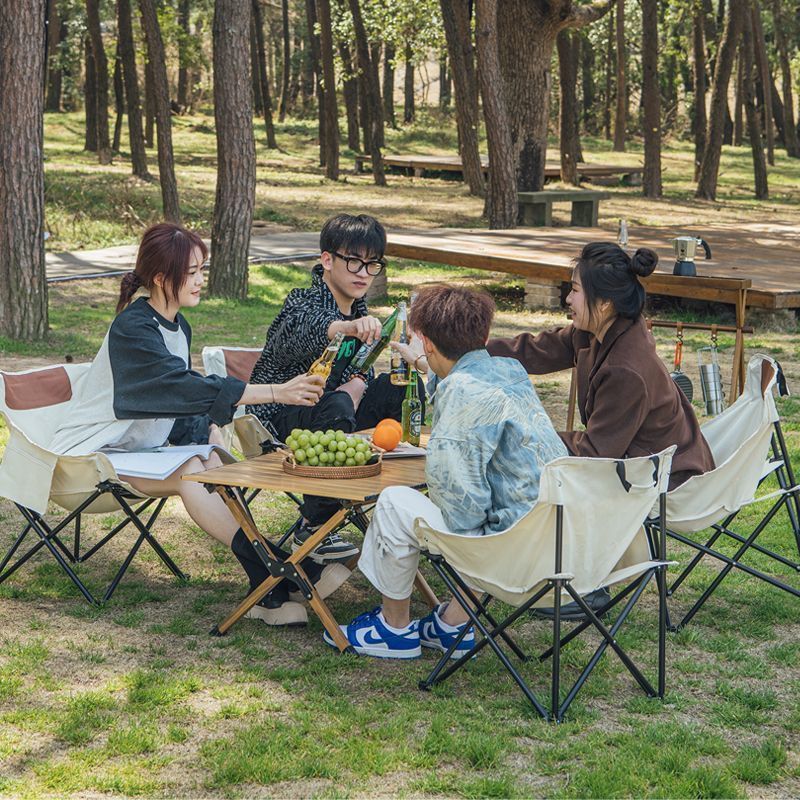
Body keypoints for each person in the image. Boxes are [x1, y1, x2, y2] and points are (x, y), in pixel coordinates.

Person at [50, 222, 349, 627]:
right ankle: (278, 571)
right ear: (161, 278)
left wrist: (206, 430)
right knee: (191, 470)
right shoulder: (132, 328)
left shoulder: (178, 325)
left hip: (137, 451)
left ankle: (268, 582)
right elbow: (179, 385)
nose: (200, 280)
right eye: (191, 272)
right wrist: (277, 392)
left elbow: (174, 400)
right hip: (91, 455)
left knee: (211, 459)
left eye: (201, 270)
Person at [326, 285, 568, 659]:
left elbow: (462, 505)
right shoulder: (509, 369)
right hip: (557, 540)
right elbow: (460, 375)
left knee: (393, 503)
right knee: (492, 508)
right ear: (483, 336)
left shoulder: (460, 392)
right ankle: (453, 625)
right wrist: (423, 362)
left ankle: (393, 629)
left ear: (427, 342)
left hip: (510, 553)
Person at [248, 213, 419, 563]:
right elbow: (301, 331)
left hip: (334, 420)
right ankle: (314, 524)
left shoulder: (360, 310)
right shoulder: (301, 302)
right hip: (279, 420)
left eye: (372, 264)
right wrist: (347, 328)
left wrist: (359, 383)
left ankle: (395, 497)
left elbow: (359, 369)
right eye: (354, 261)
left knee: (396, 386)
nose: (363, 273)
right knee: (337, 404)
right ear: (327, 260)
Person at [487, 242, 715, 489]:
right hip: (632, 465)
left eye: (575, 290)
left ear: (605, 302)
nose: (568, 298)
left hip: (664, 482)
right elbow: (536, 350)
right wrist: (475, 349)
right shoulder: (599, 329)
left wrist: (528, 440)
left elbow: (594, 453)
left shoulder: (625, 370)